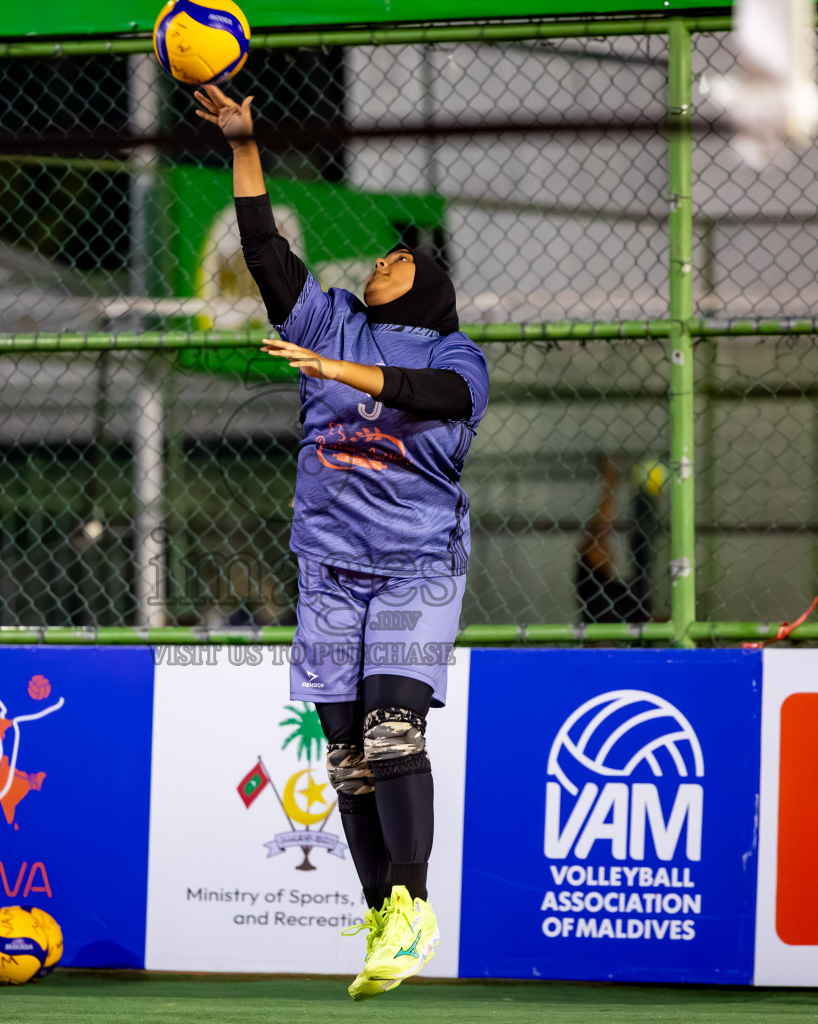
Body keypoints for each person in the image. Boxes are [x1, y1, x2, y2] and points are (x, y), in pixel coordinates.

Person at [195, 85, 490, 1000]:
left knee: (395, 733)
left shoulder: (456, 357)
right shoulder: (335, 319)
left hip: (414, 569)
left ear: (430, 288)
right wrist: (246, 144)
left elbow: (432, 403)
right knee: (347, 756)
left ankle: (416, 903)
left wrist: (338, 371)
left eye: (401, 259)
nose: (384, 262)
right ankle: (381, 915)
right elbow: (266, 255)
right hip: (329, 569)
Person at [575, 455, 660, 624]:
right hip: (624, 632)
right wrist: (609, 485)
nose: (610, 553)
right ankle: (643, 497)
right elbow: (599, 532)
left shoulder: (598, 591)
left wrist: (609, 486)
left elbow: (600, 532)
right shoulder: (592, 587)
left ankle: (643, 497)